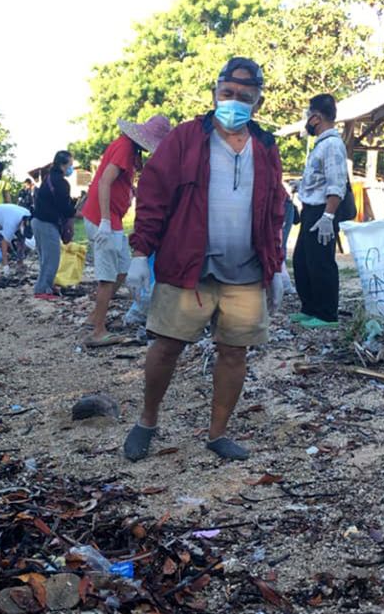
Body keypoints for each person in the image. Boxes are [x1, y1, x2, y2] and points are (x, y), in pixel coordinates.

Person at [123, 56, 285, 462]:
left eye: (244, 97)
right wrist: (141, 253)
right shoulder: (186, 138)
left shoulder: (265, 147)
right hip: (188, 266)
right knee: (166, 346)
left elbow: (275, 208)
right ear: (215, 93)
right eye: (227, 94)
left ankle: (217, 434)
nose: (234, 102)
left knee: (235, 352)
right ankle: (146, 421)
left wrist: (277, 265)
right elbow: (154, 196)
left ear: (257, 103)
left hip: (245, 272)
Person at [81, 115, 172, 347]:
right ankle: (98, 331)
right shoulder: (123, 148)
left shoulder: (131, 151)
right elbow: (104, 182)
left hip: (114, 220)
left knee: (123, 270)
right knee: (107, 276)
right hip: (105, 219)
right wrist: (103, 220)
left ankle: (95, 316)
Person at [292, 94, 348, 329]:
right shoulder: (321, 145)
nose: (306, 121)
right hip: (310, 209)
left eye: (307, 116)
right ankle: (310, 308)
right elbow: (319, 179)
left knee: (321, 262)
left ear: (315, 118)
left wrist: (328, 216)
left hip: (322, 211)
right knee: (302, 260)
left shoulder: (333, 145)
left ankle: (326, 315)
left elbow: (337, 183)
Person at [32, 150, 76, 300]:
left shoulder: (49, 177)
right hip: (46, 223)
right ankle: (43, 290)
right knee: (52, 258)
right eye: (71, 164)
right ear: (63, 165)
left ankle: (45, 285)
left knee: (45, 258)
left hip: (38, 221)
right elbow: (64, 207)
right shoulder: (60, 182)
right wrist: (74, 213)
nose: (72, 168)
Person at [0, 203, 31, 277]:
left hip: (6, 215)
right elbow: (4, 243)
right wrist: (6, 265)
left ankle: (20, 264)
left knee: (21, 239)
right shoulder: (11, 223)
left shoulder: (29, 216)